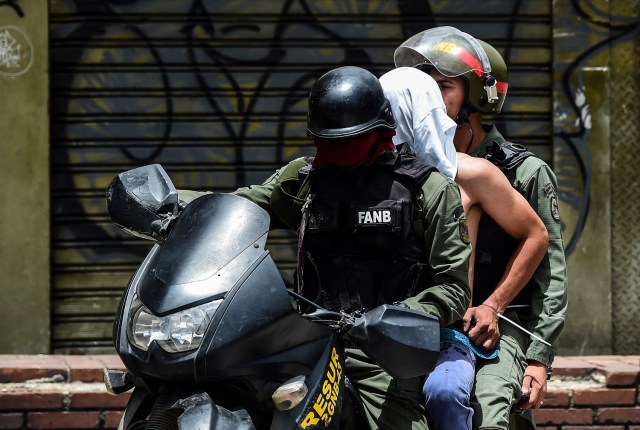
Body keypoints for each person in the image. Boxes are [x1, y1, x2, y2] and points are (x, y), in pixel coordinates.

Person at [180, 65, 471, 430]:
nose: (336, 150)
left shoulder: (427, 190)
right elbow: (238, 207)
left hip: (380, 357)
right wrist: (173, 205)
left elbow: (454, 288)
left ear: (380, 131)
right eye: (327, 140)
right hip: (301, 346)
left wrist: (395, 316)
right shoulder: (306, 180)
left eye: (349, 140)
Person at [394, 26, 568, 430]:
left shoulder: (522, 171)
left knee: (489, 412)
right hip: (427, 327)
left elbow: (552, 269)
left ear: (474, 96)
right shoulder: (412, 165)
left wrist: (539, 358)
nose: (431, 97)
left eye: (445, 86)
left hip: (502, 328)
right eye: (425, 86)